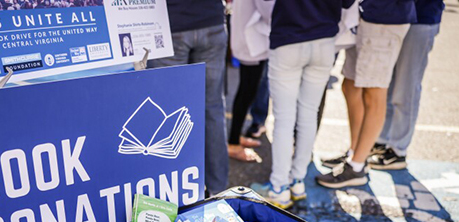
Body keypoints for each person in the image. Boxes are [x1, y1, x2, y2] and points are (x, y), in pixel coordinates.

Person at [251, 0, 354, 209]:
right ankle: (297, 181)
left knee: (284, 118)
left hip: (288, 38)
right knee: (308, 114)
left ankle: (279, 187)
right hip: (324, 39)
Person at [317, 0, 416, 188]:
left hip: (384, 19)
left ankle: (357, 166)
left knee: (374, 91)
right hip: (364, 16)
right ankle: (355, 153)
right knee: (350, 84)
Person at [148, 0, 228, 196]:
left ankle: (173, 195)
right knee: (212, 107)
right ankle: (219, 192)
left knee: (167, 113)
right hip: (211, 20)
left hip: (168, 23)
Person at [368, 0, 444, 170]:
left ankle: (398, 150)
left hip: (420, 19)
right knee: (387, 85)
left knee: (406, 87)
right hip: (397, 18)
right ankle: (381, 141)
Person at [227, 0, 274, 163]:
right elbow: (269, 11)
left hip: (250, 40)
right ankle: (233, 142)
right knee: (247, 92)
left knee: (247, 91)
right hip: (251, 42)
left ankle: (235, 137)